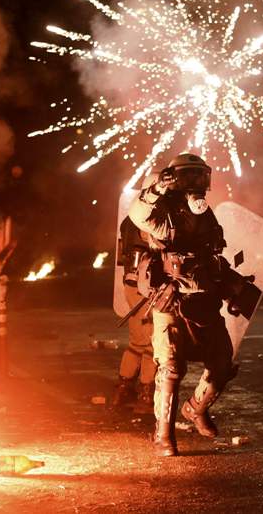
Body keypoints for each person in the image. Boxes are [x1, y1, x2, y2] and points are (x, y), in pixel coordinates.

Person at [128, 153, 237, 457]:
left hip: (204, 299)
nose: (196, 184)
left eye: (200, 176)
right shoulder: (165, 214)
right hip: (172, 300)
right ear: (174, 180)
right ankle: (163, 434)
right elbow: (139, 215)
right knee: (172, 367)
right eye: (187, 177)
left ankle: (196, 409)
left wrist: (232, 286)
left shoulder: (206, 213)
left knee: (222, 364)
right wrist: (155, 190)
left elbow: (215, 253)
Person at [112, 174, 158, 413]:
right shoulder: (146, 218)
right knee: (152, 343)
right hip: (146, 288)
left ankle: (123, 388)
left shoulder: (131, 218)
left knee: (136, 342)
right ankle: (146, 392)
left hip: (132, 287)